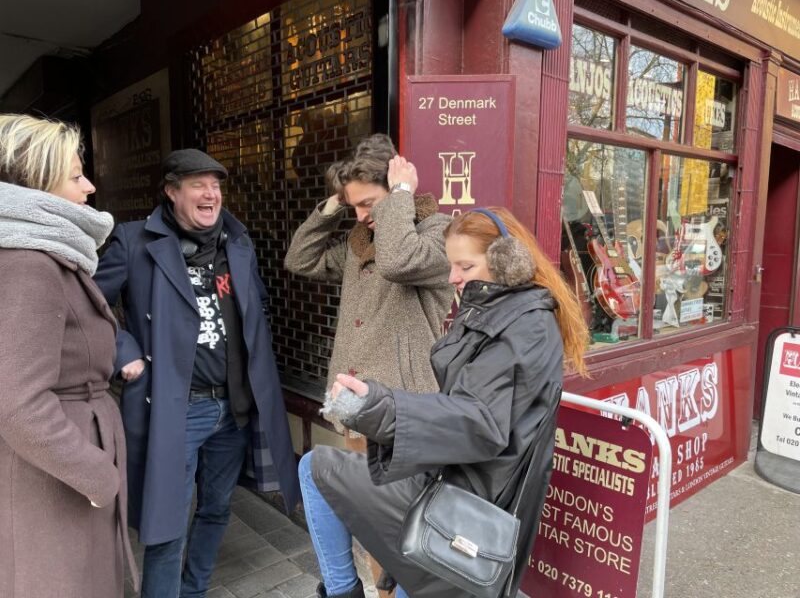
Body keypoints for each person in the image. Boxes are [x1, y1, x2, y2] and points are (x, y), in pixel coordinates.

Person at [299, 207, 589, 598]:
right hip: (453, 479)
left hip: (470, 497)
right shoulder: (500, 310)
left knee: (316, 468)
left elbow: (480, 420)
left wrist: (385, 408)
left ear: (507, 261)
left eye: (464, 266)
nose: (453, 277)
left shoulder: (525, 325)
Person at [93, 148, 300, 597]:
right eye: (198, 185)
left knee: (217, 509)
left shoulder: (237, 243)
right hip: (176, 409)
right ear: (171, 192)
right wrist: (121, 348)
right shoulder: (134, 242)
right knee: (167, 524)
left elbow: (254, 309)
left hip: (233, 406)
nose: (212, 194)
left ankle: (195, 590)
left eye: (217, 185)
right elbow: (88, 306)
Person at [285, 133, 453, 594]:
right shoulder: (360, 243)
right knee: (368, 520)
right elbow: (300, 259)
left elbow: (400, 261)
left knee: (402, 528)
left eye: (369, 203)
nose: (363, 217)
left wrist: (399, 196)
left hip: (406, 410)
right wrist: (332, 208)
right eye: (355, 207)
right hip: (357, 407)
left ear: (397, 190)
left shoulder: (438, 233)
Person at [0, 114, 136, 597]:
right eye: (76, 175)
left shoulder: (40, 254)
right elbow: (18, 402)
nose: (90, 186)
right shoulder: (29, 265)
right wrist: (97, 474)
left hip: (60, 476)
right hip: (55, 487)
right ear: (38, 185)